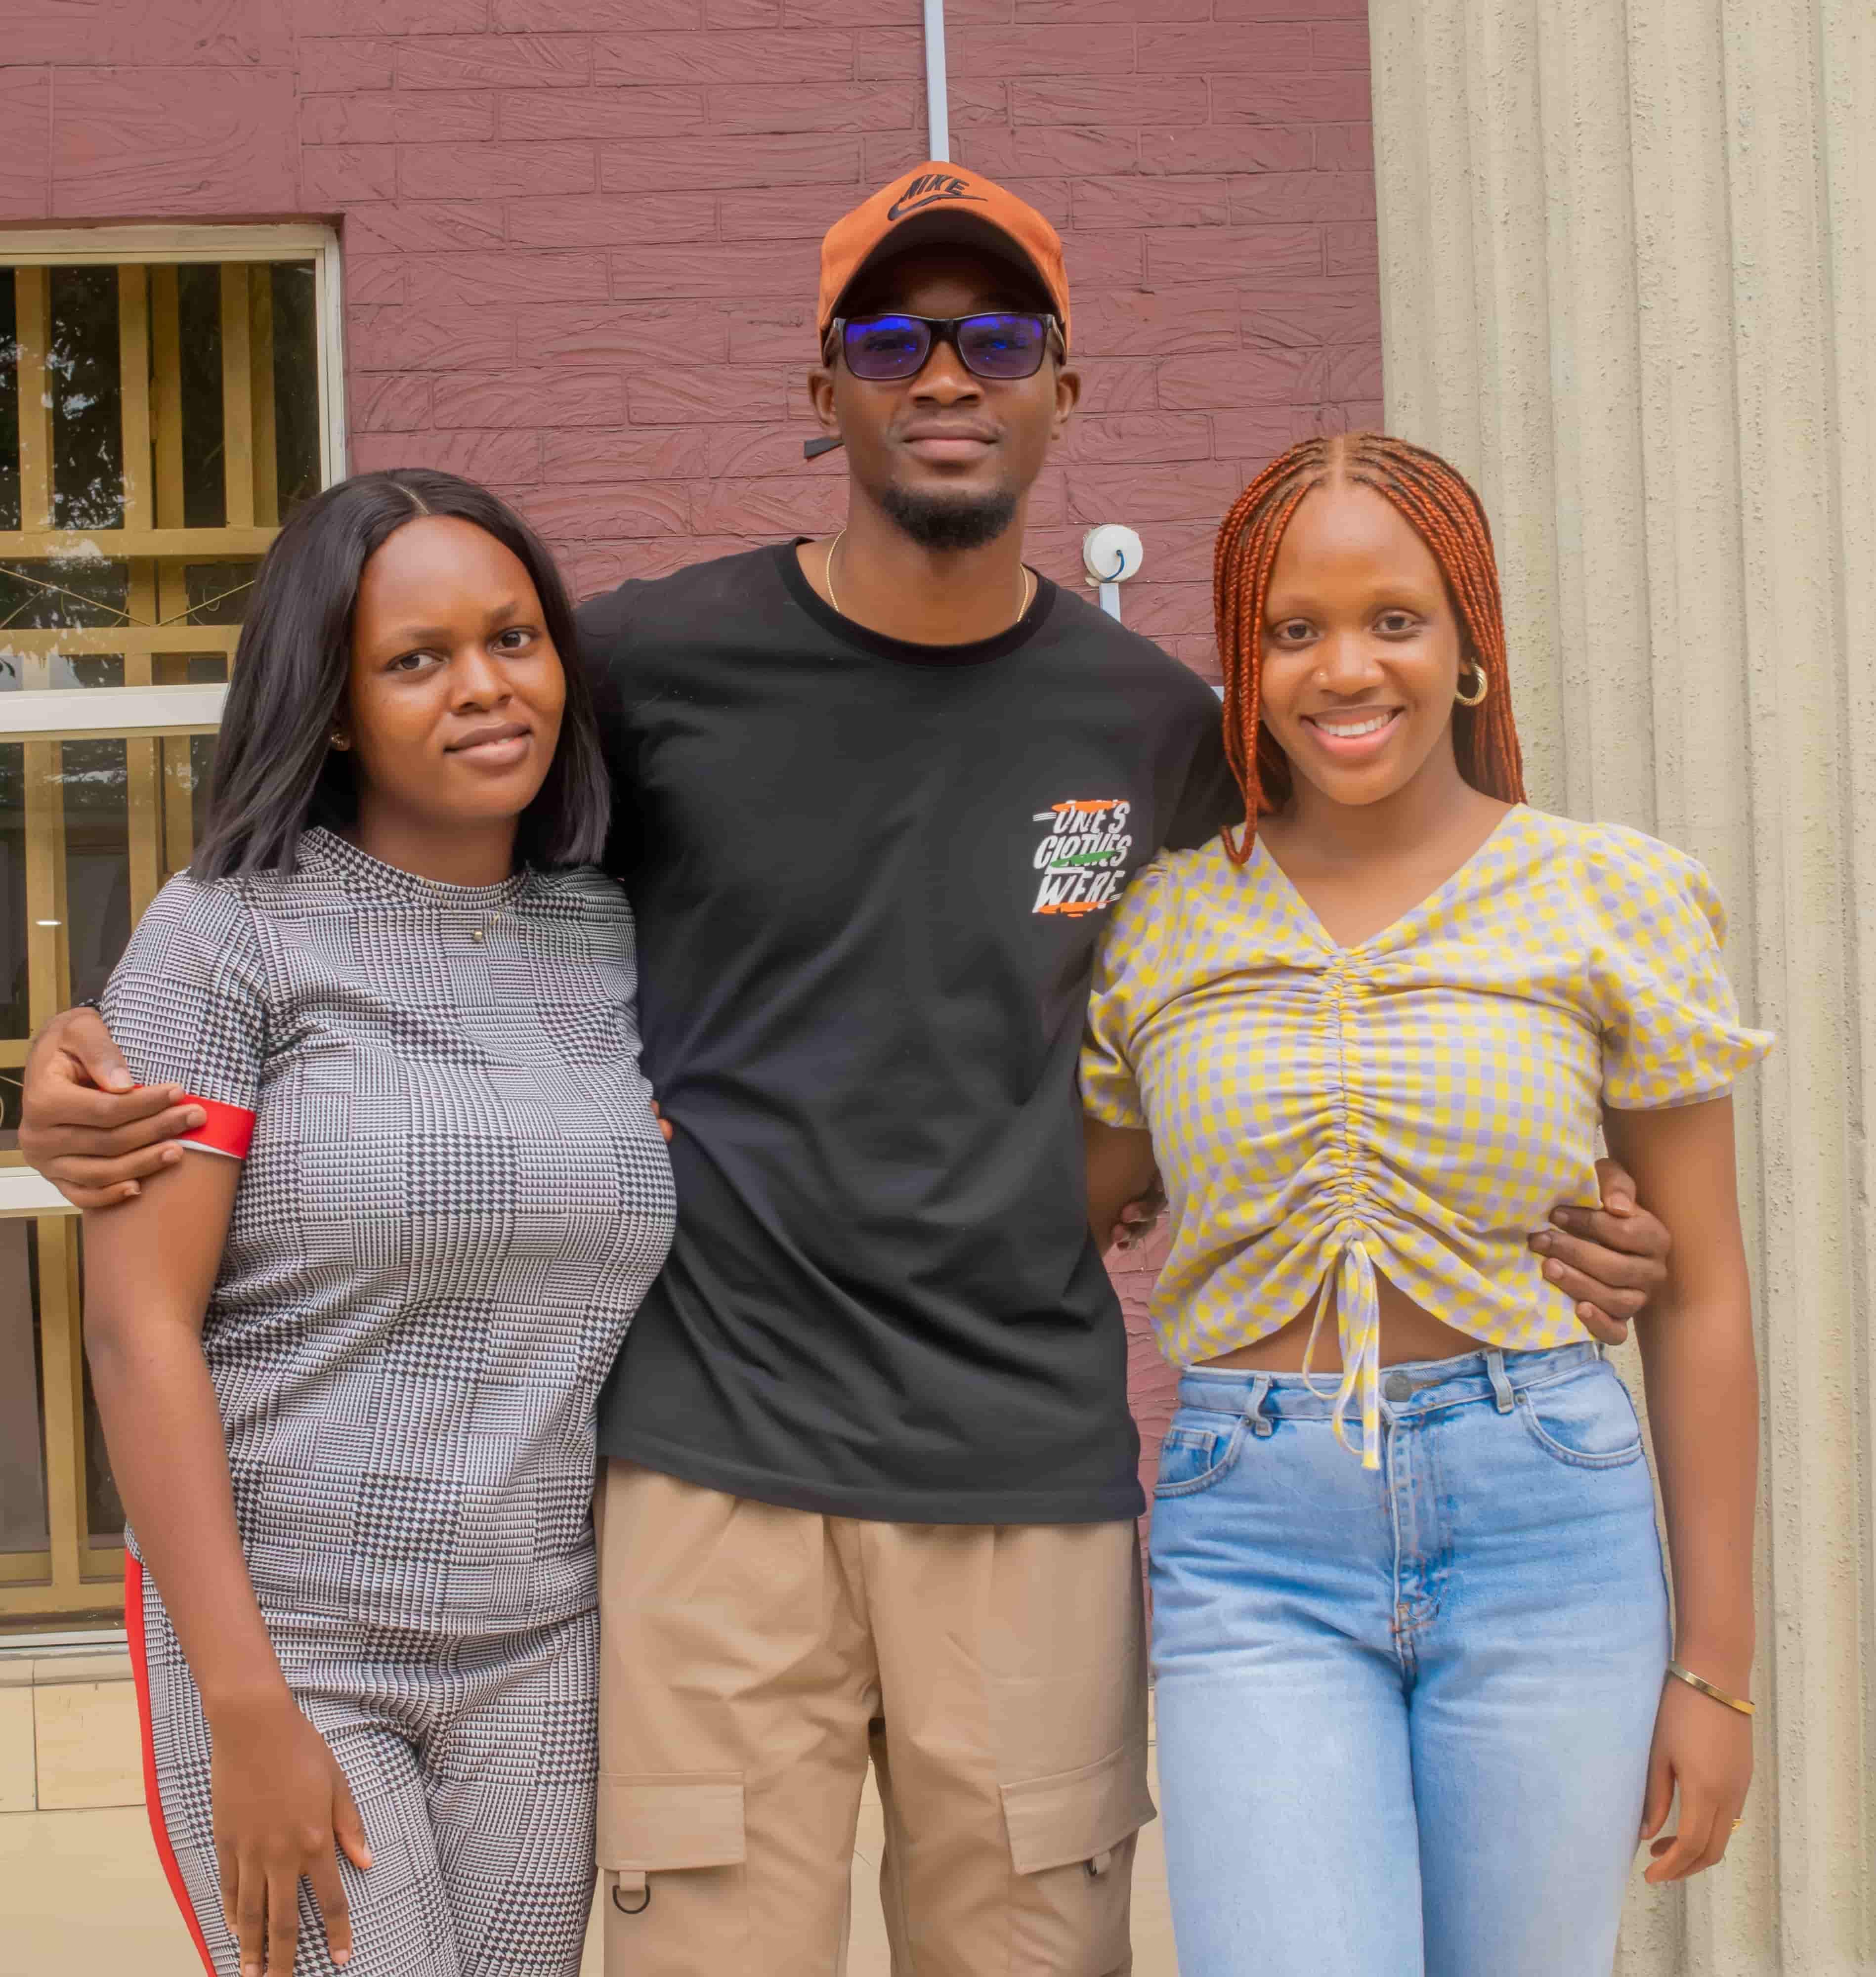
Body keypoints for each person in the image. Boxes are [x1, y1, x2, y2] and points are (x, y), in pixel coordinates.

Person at [22, 172, 1671, 1977]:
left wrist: (1552, 1210)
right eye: (891, 337)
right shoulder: (640, 670)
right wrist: (108, 1059)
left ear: (1065, 387)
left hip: (1024, 1483)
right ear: (824, 393)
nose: (946, 371)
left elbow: (1297, 1006)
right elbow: (413, 871)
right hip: (708, 1486)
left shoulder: (1150, 734)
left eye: (999, 335)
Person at [1082, 431, 1771, 1976]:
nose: (1346, 669)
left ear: (1467, 643)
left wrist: (1714, 1672)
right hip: (1252, 1545)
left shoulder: (1612, 895)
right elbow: (1058, 1215)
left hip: (1548, 1521)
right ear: (1243, 663)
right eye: (1293, 630)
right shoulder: (1162, 922)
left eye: (1393, 619)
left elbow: (1705, 1291)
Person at [76, 470, 675, 1977]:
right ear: (333, 706)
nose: (485, 689)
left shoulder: (609, 929)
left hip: (543, 1645)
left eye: (515, 640)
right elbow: (136, 1328)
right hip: (293, 1643)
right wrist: (244, 1700)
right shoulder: (224, 939)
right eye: (416, 661)